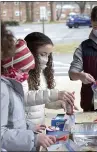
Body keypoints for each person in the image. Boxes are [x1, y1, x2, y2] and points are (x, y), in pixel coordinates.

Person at [1, 22, 56, 151]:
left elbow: (14, 119)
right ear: (10, 68)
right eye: (23, 71)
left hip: (24, 141)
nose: (25, 76)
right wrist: (33, 138)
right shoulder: (3, 90)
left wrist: (29, 127)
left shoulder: (12, 85)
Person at [23, 32, 75, 125]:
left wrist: (58, 103)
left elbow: (39, 100)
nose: (46, 59)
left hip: (37, 128)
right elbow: (25, 98)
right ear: (30, 52)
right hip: (25, 130)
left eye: (48, 55)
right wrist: (55, 94)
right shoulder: (21, 75)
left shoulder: (38, 74)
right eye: (43, 54)